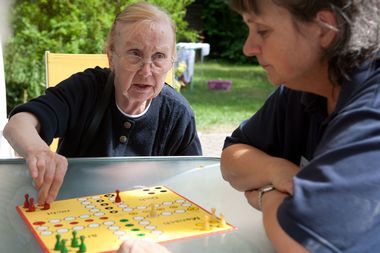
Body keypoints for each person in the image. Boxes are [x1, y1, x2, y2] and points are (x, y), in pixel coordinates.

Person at [3, 2, 202, 205]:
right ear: (111, 57)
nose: (146, 71)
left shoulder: (177, 114)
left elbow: (192, 182)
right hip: (75, 214)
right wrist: (39, 151)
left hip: (145, 224)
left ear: (171, 62)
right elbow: (19, 124)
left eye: (159, 56)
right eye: (135, 53)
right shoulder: (85, 89)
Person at [220, 0, 380, 252]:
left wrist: (268, 194)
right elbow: (232, 156)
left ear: (325, 28)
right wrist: (278, 171)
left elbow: (300, 242)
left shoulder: (372, 108)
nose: (248, 48)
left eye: (262, 31)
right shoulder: (304, 87)